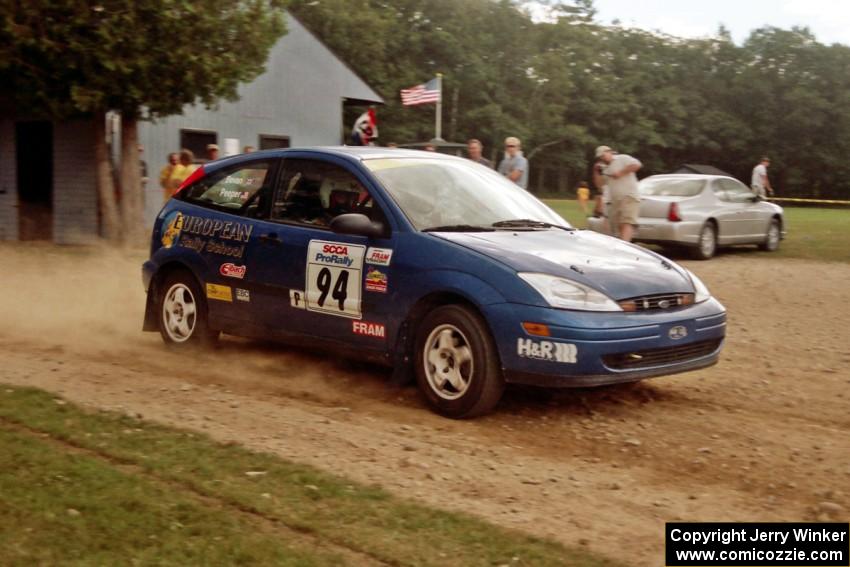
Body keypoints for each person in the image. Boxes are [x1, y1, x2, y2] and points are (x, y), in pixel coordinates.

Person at [593, 145, 642, 242]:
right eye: (600, 157)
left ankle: (625, 245)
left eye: (603, 155)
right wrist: (596, 172)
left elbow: (637, 165)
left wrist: (621, 173)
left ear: (610, 152)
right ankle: (623, 242)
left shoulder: (622, 158)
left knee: (627, 222)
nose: (602, 158)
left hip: (629, 195)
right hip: (615, 199)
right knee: (618, 225)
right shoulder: (604, 168)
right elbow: (600, 185)